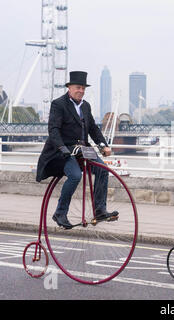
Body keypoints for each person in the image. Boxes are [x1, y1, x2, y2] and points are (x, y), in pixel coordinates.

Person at [36, 71, 116, 229]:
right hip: (64, 150)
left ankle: (99, 210)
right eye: (78, 87)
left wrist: (103, 144)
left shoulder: (85, 106)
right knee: (74, 175)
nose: (81, 91)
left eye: (83, 88)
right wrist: (62, 148)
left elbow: (93, 128)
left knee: (103, 169)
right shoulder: (58, 104)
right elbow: (53, 130)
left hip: (83, 149)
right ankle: (60, 212)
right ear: (70, 88)